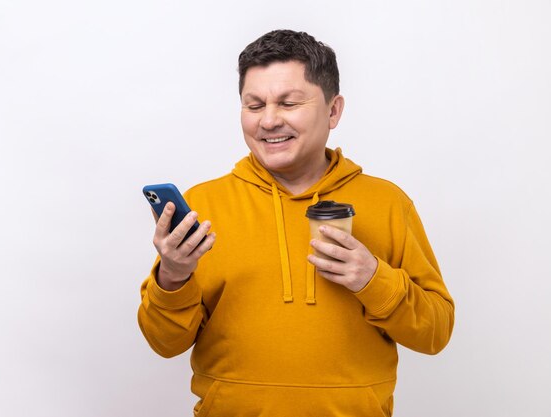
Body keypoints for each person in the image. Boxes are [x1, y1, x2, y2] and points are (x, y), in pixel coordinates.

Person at [138, 29, 454, 417]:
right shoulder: (202, 205)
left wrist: (374, 279)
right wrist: (173, 276)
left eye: (288, 103)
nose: (269, 121)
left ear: (333, 111)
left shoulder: (387, 203)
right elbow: (163, 342)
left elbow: (435, 333)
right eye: (254, 105)